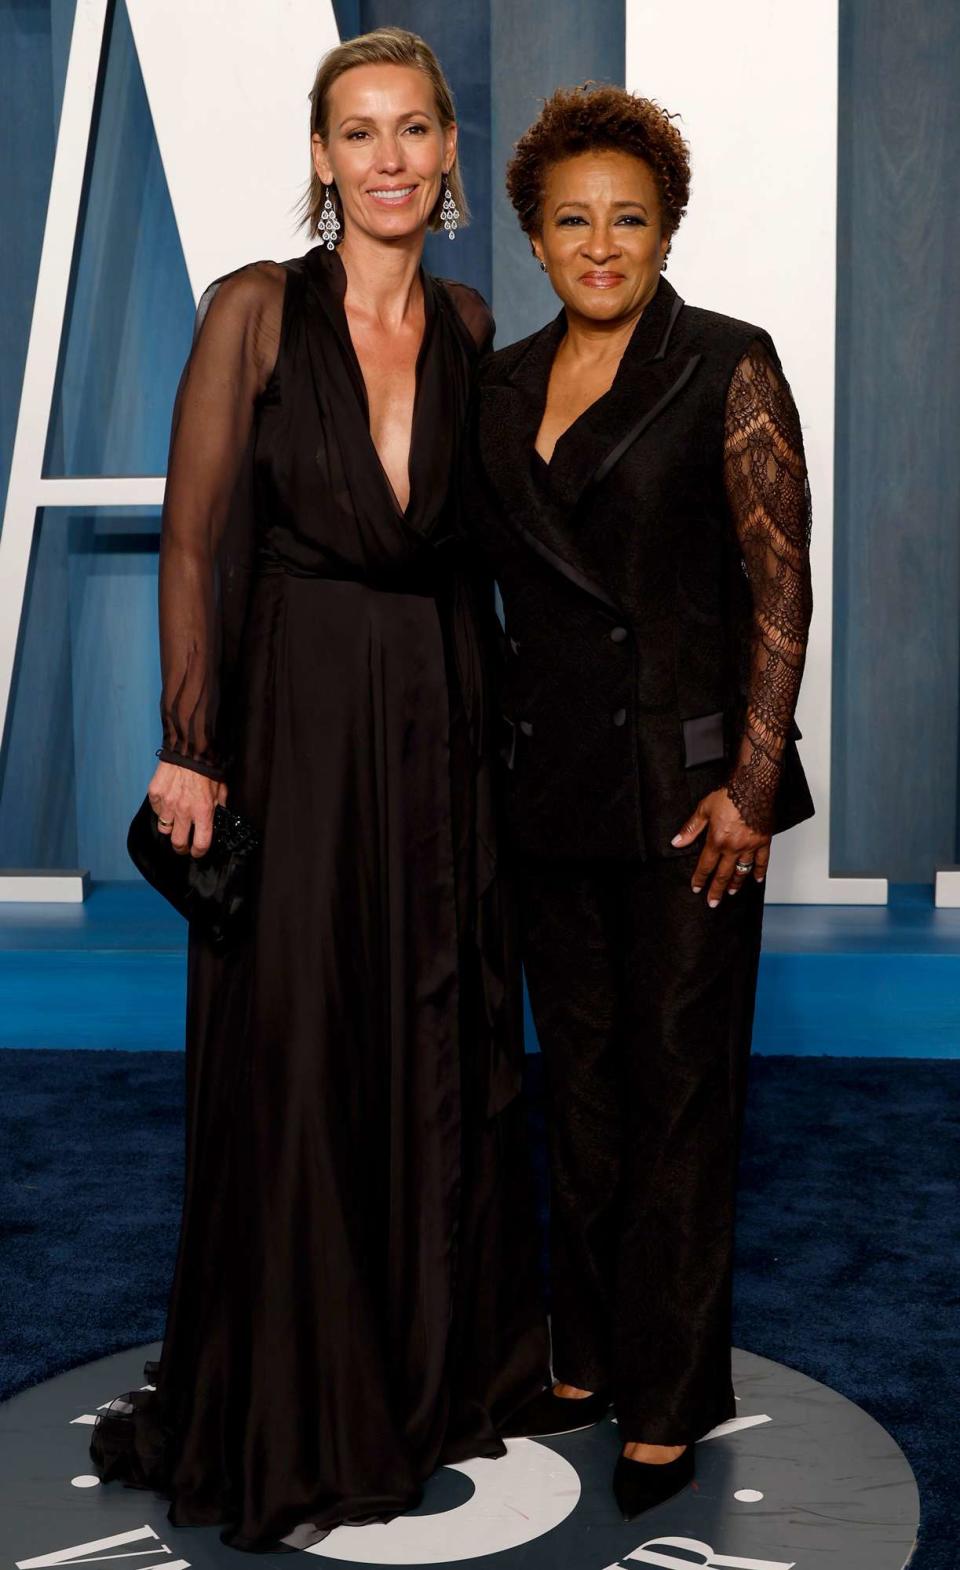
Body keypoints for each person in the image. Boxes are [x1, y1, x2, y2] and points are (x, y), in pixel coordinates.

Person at [91, 29, 549, 1552]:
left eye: (416, 130)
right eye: (360, 133)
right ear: (320, 157)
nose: (391, 159)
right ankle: (294, 1399)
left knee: (433, 1031)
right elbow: (194, 536)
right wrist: (188, 736)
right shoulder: (254, 311)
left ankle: (418, 1380)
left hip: (441, 721)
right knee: (300, 1046)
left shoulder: (477, 321)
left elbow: (498, 546)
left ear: (449, 157)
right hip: (293, 715)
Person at [466, 84, 814, 1520]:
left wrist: (748, 785)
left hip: (688, 802)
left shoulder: (727, 362)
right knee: (588, 1093)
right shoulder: (499, 385)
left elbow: (780, 583)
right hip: (544, 788)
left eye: (629, 217)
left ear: (666, 227)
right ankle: (594, 1349)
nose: (601, 244)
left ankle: (670, 1393)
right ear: (534, 241)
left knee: (681, 1097)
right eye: (572, 221)